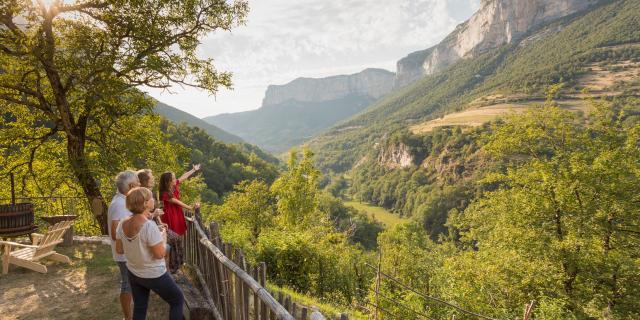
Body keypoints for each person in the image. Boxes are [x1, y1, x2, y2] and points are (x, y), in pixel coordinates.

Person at [115, 187, 184, 320]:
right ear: (145, 203)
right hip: (154, 274)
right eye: (151, 197)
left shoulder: (122, 223)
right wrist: (162, 237)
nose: (153, 199)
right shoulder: (148, 226)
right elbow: (160, 254)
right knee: (177, 300)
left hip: (134, 273)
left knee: (140, 307)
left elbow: (120, 249)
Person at [108, 170, 140, 320]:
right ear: (132, 185)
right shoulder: (120, 204)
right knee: (127, 284)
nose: (140, 185)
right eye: (138, 182)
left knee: (130, 283)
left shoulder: (123, 201)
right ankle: (128, 317)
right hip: (123, 254)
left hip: (127, 252)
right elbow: (116, 233)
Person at [158, 164, 201, 273]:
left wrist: (193, 170)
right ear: (168, 181)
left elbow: (184, 177)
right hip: (171, 216)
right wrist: (191, 207)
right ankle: (172, 265)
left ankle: (175, 264)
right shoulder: (165, 193)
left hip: (176, 213)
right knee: (173, 239)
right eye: (173, 178)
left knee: (177, 238)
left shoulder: (174, 185)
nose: (175, 179)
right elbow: (178, 202)